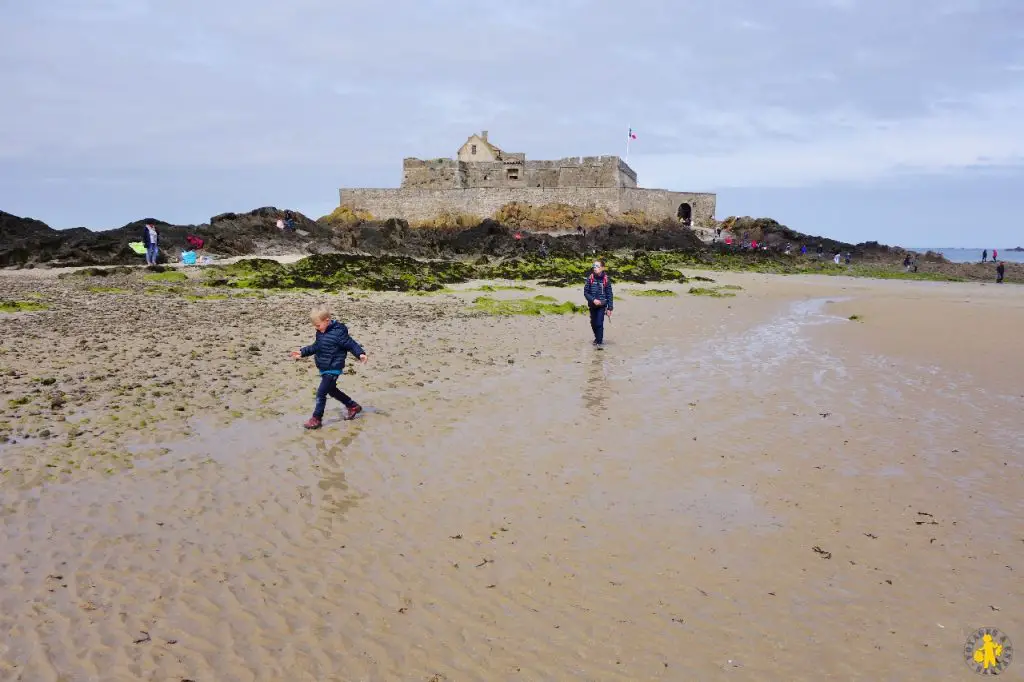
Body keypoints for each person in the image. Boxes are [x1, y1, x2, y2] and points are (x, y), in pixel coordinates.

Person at [291, 307, 368, 429]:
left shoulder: (339, 333)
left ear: (327, 320)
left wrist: (360, 354)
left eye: (318, 325)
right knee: (332, 390)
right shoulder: (320, 333)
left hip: (333, 367)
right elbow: (316, 346)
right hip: (324, 366)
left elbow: (351, 344)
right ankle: (353, 406)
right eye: (315, 326)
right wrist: (302, 352)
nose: (316, 328)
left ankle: (316, 418)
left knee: (321, 393)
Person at [583, 259, 614, 346]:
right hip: (592, 305)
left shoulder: (606, 280)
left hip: (602, 305)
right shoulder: (590, 278)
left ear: (602, 268)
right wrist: (593, 300)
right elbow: (586, 292)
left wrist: (610, 308)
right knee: (593, 323)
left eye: (597, 266)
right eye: (594, 266)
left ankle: (599, 343)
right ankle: (597, 338)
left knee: (599, 323)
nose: (595, 268)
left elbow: (609, 294)